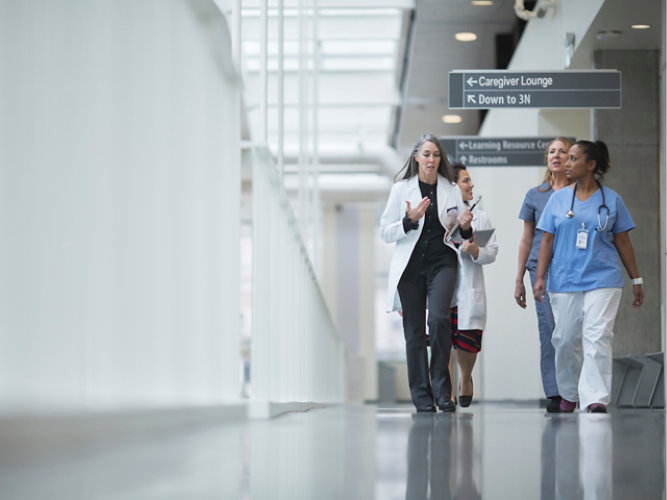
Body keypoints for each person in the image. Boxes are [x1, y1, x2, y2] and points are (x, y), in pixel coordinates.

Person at [533, 140, 644, 413]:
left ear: (591, 165)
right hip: (565, 279)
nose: (567, 163)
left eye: (573, 159)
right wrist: (539, 278)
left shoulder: (612, 200)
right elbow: (546, 241)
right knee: (566, 338)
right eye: (567, 158)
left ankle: (595, 398)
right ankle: (569, 393)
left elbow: (624, 243)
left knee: (597, 336)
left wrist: (636, 279)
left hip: (603, 279)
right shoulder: (558, 199)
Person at [380, 134, 473, 413]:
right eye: (426, 154)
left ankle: (443, 392)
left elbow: (459, 232)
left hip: (442, 263)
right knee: (414, 333)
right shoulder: (401, 190)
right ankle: (421, 396)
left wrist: (465, 227)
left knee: (440, 319)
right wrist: (408, 221)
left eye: (436, 155)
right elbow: (385, 231)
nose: (431, 160)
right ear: (416, 157)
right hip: (410, 268)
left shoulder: (450, 189)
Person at [514, 137, 573, 412]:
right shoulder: (535, 194)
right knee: (548, 329)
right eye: (552, 152)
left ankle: (572, 388)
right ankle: (554, 392)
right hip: (539, 268)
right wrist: (518, 279)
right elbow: (526, 238)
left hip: (572, 267)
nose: (556, 156)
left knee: (570, 330)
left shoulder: (580, 193)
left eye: (562, 151)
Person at [448, 163, 498, 407]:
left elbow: (492, 252)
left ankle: (465, 377)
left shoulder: (481, 217)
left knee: (467, 341)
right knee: (441, 341)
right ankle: (446, 389)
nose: (471, 185)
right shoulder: (439, 216)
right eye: (465, 180)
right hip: (444, 289)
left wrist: (476, 250)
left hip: (468, 290)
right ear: (452, 186)